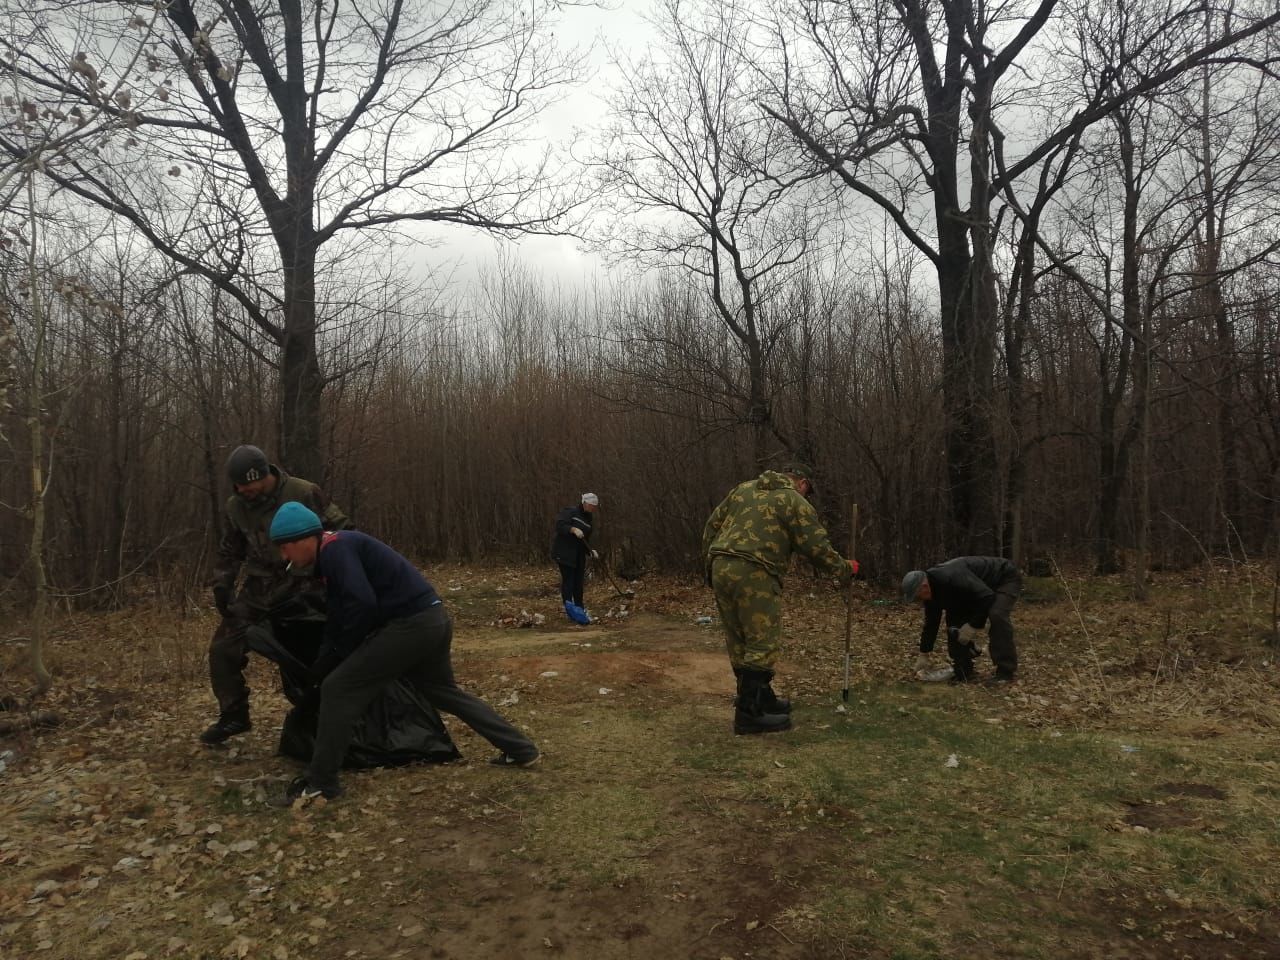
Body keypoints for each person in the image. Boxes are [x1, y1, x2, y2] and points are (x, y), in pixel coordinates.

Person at [268, 502, 540, 802]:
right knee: (442, 692)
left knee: (338, 688)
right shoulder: (335, 551)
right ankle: (521, 749)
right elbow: (337, 612)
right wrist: (324, 658)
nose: (284, 555)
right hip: (433, 619)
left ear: (304, 538)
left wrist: (342, 654)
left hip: (410, 626)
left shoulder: (335, 549)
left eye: (285, 547)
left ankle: (321, 783)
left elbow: (361, 604)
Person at [200, 444, 350, 745]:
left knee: (308, 654)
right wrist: (222, 585)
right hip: (259, 589)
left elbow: (344, 533)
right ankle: (234, 716)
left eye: (247, 484)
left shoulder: (303, 492)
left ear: (263, 474)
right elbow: (231, 551)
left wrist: (340, 580)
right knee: (222, 649)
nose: (243, 490)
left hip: (304, 586)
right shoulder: (236, 506)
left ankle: (320, 716)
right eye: (238, 485)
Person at [701, 465, 858, 735]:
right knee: (762, 641)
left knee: (739, 639)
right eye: (808, 492)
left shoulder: (743, 489)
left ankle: (762, 698)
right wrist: (845, 568)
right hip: (755, 570)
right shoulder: (794, 501)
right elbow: (815, 546)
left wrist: (710, 567)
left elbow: (711, 527)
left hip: (721, 566)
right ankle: (748, 715)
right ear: (803, 483)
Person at [901, 556, 1022, 685]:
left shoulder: (952, 576)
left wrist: (973, 626)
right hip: (977, 589)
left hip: (1004, 577)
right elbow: (931, 622)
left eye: (917, 596)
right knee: (954, 625)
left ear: (924, 586)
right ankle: (964, 670)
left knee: (997, 614)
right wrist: (924, 652)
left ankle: (1005, 671)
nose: (918, 600)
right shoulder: (932, 592)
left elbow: (986, 597)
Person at [550, 493, 599, 624]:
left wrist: (590, 551)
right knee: (569, 582)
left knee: (578, 583)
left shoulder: (589, 520)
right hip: (564, 553)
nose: (593, 508)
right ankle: (570, 610)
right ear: (584, 503)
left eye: (595, 507)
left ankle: (579, 609)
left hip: (578, 555)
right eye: (591, 506)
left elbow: (585, 540)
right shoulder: (571, 511)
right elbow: (560, 525)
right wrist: (572, 529)